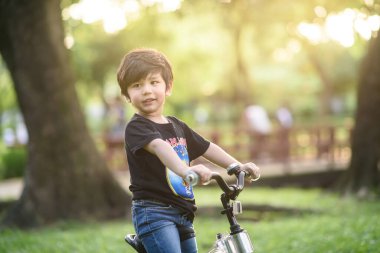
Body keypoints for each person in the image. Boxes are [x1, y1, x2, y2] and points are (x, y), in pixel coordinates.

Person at [116, 48, 260, 253]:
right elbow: (160, 146)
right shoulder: (137, 127)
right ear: (127, 94)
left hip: (183, 211)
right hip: (154, 212)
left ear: (168, 87)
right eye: (137, 85)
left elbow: (206, 147)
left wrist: (236, 166)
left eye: (154, 82)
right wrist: (186, 171)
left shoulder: (177, 126)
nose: (146, 90)